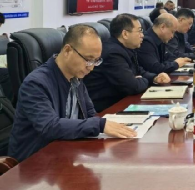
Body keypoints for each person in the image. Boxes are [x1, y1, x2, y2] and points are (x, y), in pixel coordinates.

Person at [8, 25, 136, 163]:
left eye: (96, 60)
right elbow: (49, 127)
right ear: (67, 50)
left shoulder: (76, 77)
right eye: (88, 59)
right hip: (33, 164)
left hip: (65, 154)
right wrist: (99, 124)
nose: (91, 67)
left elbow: (90, 114)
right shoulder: (36, 83)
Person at [85, 14, 171, 112]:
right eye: (139, 31)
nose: (142, 35)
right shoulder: (113, 53)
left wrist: (155, 78)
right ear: (125, 34)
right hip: (107, 109)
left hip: (122, 102)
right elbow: (133, 87)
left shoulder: (126, 49)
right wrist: (143, 80)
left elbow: (139, 71)